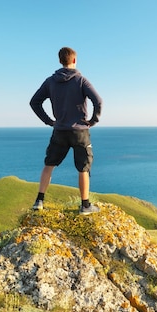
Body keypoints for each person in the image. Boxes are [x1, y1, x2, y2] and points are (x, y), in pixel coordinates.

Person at [29, 46, 103, 214]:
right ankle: (85, 206)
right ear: (74, 60)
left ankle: (39, 201)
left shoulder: (50, 81)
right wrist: (93, 120)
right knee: (83, 168)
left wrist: (49, 121)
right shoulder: (81, 80)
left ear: (60, 61)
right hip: (80, 132)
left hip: (59, 130)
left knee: (49, 165)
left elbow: (34, 102)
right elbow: (98, 101)